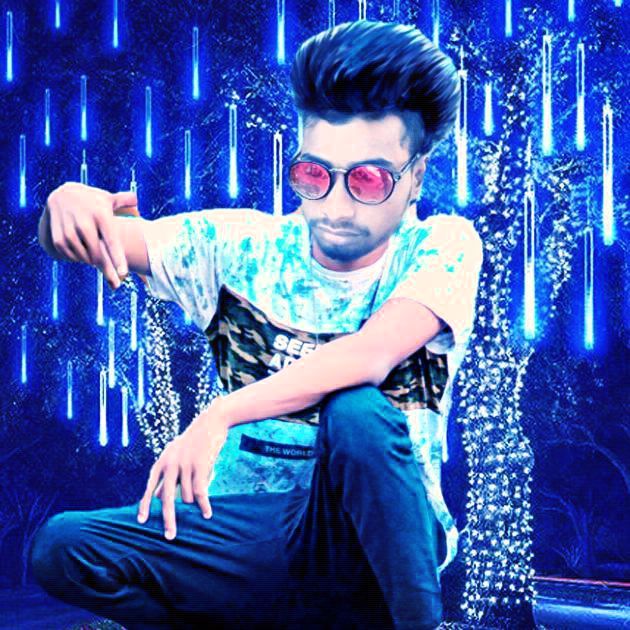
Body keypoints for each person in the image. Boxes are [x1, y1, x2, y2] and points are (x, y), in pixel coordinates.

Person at [30, 18, 483, 630]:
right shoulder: (240, 247)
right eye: (314, 175)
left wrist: (220, 413)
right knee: (63, 547)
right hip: (250, 537)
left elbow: (369, 356)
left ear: (416, 178)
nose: (336, 205)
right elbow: (94, 236)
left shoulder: (442, 247)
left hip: (375, 545)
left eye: (369, 179)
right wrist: (65, 204)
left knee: (357, 412)